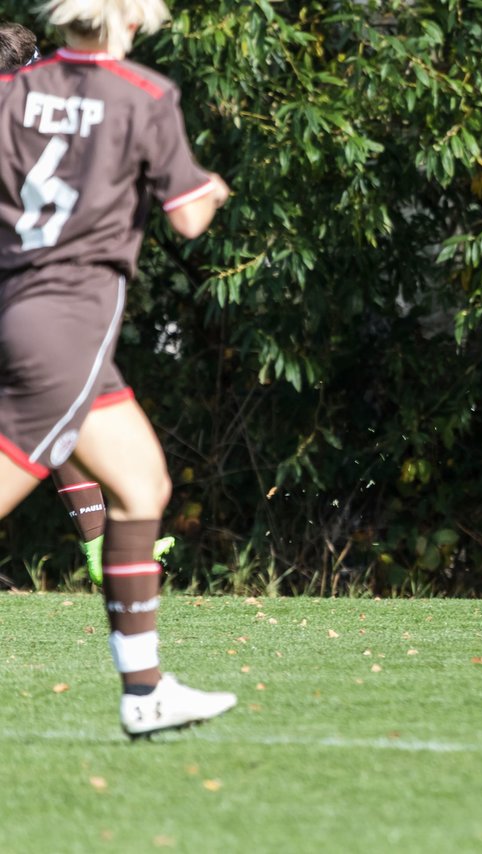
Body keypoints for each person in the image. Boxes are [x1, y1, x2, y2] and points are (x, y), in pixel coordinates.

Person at [0, 0, 235, 738]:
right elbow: (190, 215)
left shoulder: (13, 89)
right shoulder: (145, 95)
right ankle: (144, 690)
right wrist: (215, 187)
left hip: (26, 312)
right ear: (129, 19)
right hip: (68, 323)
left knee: (141, 485)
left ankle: (145, 692)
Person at [0, 18, 164, 587]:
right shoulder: (53, 117)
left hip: (33, 299)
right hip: (37, 297)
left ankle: (101, 546)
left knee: (72, 412)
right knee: (55, 417)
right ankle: (101, 544)